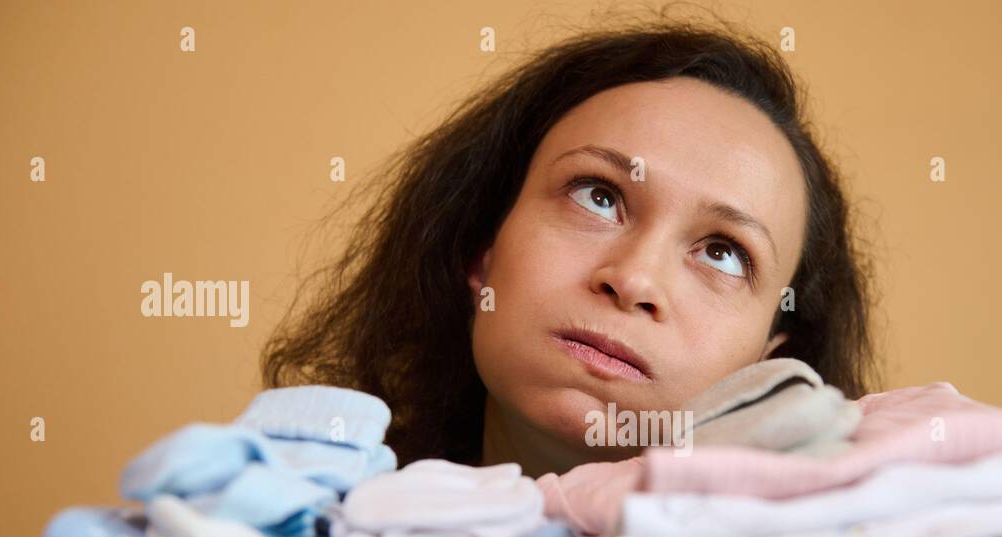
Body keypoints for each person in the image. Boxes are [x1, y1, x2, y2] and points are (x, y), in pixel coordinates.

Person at [262, 16, 880, 478]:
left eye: (722, 252)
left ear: (770, 364)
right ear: (482, 250)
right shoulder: (271, 516)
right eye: (598, 196)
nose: (634, 279)